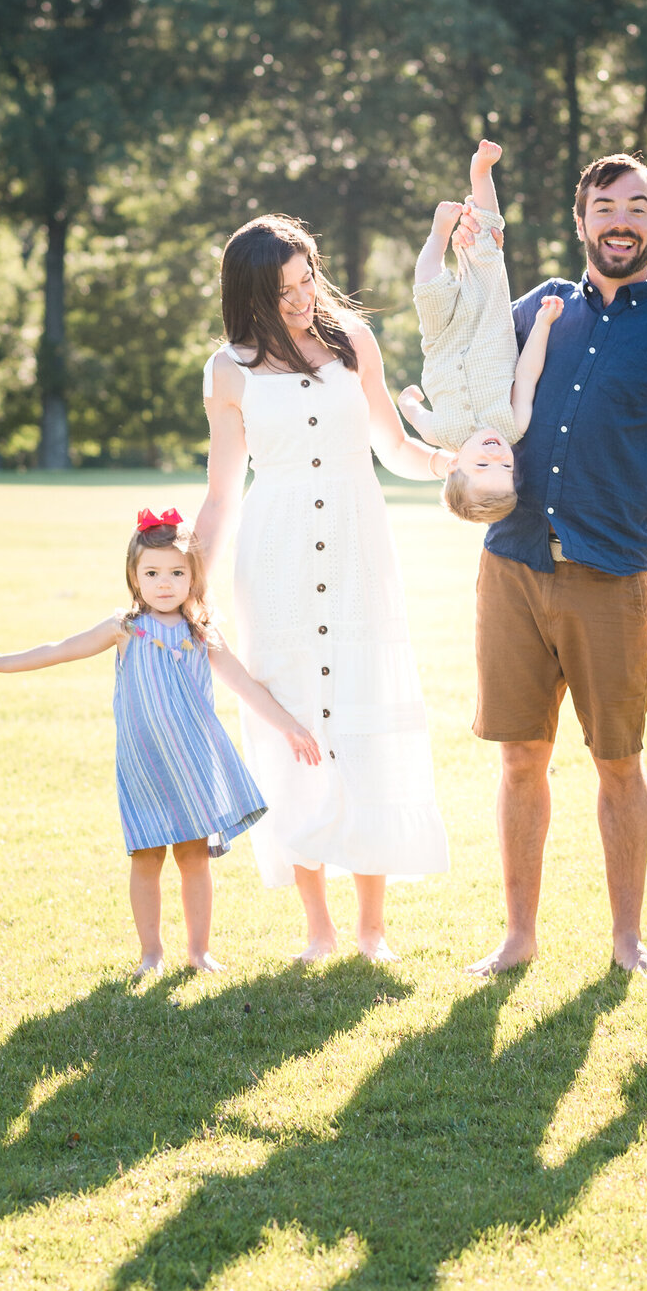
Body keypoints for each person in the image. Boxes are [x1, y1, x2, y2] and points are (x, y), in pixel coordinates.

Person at [468, 153, 647, 977]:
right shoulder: (535, 309)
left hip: (610, 580)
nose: (620, 221)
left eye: (636, 209)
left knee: (618, 762)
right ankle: (519, 938)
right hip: (510, 567)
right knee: (520, 758)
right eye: (604, 207)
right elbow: (475, 395)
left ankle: (627, 941)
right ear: (580, 220)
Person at [196, 215, 451, 965]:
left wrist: (451, 465)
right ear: (250, 296)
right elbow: (220, 496)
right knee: (293, 729)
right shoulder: (229, 370)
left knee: (365, 729)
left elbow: (395, 450)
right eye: (284, 291)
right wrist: (190, 588)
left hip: (356, 551)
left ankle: (372, 932)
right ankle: (319, 931)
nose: (304, 298)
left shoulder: (354, 345)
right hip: (271, 560)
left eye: (308, 279)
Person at [0, 508, 319, 976]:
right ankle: (151, 953)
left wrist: (289, 725)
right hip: (144, 765)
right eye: (152, 573)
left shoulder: (201, 632)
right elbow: (60, 649)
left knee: (193, 856)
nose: (164, 583)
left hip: (191, 762)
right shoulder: (124, 629)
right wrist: (3, 662)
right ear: (134, 576)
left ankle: (198, 951)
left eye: (176, 572)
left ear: (193, 577)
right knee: (147, 856)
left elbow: (246, 686)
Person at [398, 138, 563, 524]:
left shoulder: (441, 436)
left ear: (454, 466)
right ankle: (481, 174)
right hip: (489, 320)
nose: (497, 459)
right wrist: (541, 325)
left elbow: (414, 415)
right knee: (487, 247)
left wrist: (408, 402)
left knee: (427, 282)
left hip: (442, 338)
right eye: (505, 470)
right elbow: (527, 373)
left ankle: (438, 236)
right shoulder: (513, 426)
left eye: (482, 467)